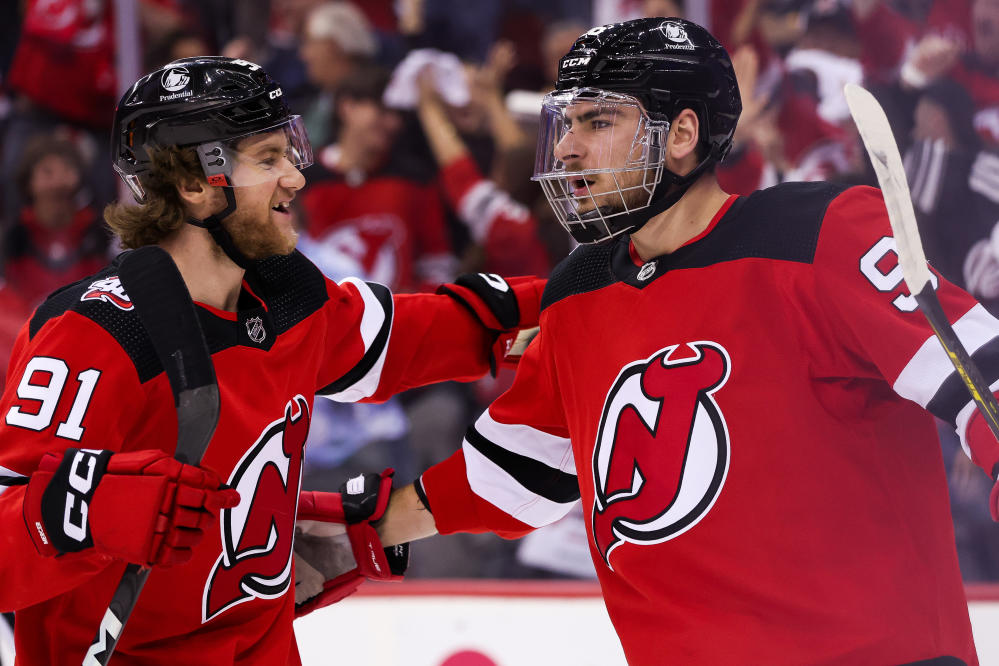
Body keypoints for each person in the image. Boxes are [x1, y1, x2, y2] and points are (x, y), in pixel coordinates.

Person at [373, 17, 999, 664]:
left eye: (597, 122)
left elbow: (983, 374)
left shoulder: (819, 236)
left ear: (680, 135)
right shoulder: (579, 293)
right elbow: (502, 477)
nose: (565, 149)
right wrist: (348, 534)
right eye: (566, 123)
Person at [0, 56, 543, 665]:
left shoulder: (286, 298)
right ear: (194, 182)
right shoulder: (95, 334)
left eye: (291, 152)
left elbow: (424, 334)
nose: (295, 179)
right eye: (267, 158)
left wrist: (575, 307)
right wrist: (86, 513)